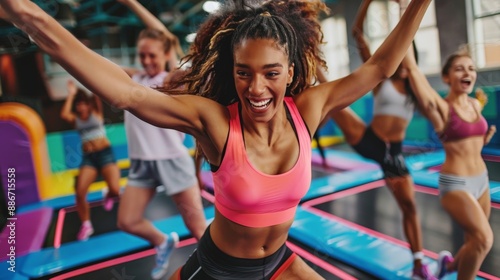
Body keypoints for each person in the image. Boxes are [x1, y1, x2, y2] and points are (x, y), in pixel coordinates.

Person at [0, 0, 432, 278]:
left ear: (292, 72)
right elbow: (126, 93)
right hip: (218, 269)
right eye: (243, 72)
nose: (256, 88)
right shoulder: (215, 123)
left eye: (271, 73)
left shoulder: (311, 108)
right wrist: (29, 16)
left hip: (280, 262)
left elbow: (379, 67)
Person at [318, 0, 434, 278]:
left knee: (409, 207)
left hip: (392, 154)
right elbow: (358, 32)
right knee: (334, 103)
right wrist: (369, 2)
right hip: (369, 139)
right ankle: (312, 63)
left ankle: (419, 262)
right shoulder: (385, 78)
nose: (403, 60)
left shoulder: (417, 88)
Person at [114, 1, 207, 279]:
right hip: (141, 163)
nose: (146, 61)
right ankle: (163, 241)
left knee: (198, 229)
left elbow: (167, 37)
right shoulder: (134, 79)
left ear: (166, 54)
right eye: (142, 55)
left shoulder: (171, 80)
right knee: (127, 220)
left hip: (171, 161)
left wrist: (131, 3)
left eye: (152, 55)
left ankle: (221, 272)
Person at [402, 41, 495, 278]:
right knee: (484, 240)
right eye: (460, 69)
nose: (468, 73)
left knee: (473, 240)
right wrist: (405, 11)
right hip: (456, 184)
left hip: (481, 181)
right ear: (446, 78)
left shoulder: (475, 104)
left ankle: (448, 266)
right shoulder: (441, 109)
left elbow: (469, 144)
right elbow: (412, 69)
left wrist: (482, 141)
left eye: (471, 68)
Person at [60, 80, 121, 241]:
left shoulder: (96, 112)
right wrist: (71, 95)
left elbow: (96, 92)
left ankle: (108, 194)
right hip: (89, 158)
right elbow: (63, 114)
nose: (81, 107)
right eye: (78, 104)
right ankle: (86, 224)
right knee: (80, 192)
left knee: (115, 190)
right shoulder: (75, 119)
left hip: (105, 154)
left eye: (83, 104)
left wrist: (87, 81)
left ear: (88, 104)